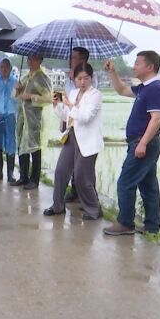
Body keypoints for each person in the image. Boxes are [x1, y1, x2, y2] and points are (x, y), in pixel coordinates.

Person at [102, 51, 160, 236]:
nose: (134, 66)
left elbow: (157, 118)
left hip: (144, 142)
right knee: (148, 185)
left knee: (125, 182)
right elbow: (121, 90)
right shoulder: (144, 87)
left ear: (150, 67)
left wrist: (143, 143)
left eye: (137, 63)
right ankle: (152, 226)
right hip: (143, 142)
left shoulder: (154, 88)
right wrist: (112, 72)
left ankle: (126, 223)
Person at [43, 63, 104, 220]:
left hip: (88, 140)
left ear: (91, 78)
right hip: (72, 136)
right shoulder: (74, 92)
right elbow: (66, 116)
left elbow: (85, 117)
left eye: (86, 78)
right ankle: (57, 206)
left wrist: (70, 105)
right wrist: (57, 105)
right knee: (61, 171)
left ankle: (94, 209)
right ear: (74, 79)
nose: (82, 82)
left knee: (82, 176)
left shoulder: (95, 95)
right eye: (79, 78)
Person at [11, 55, 53, 190]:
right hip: (22, 117)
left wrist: (31, 97)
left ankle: (34, 179)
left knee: (35, 147)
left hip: (34, 118)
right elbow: (16, 96)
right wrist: (17, 89)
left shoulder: (42, 77)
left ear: (40, 60)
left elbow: (49, 98)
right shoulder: (26, 76)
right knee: (22, 147)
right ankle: (23, 176)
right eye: (28, 59)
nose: (30, 62)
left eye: (34, 59)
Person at [64, 47, 94, 203]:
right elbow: (66, 102)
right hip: (72, 126)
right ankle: (75, 191)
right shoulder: (69, 79)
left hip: (85, 129)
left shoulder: (88, 79)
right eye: (71, 57)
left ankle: (88, 199)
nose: (71, 60)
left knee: (85, 168)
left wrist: (76, 81)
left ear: (83, 60)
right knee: (72, 164)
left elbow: (82, 105)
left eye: (74, 57)